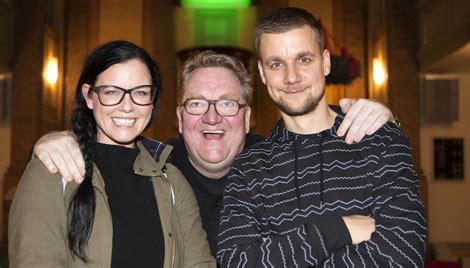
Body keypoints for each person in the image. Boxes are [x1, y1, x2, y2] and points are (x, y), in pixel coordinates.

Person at [33, 52, 395, 258]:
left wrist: (383, 119)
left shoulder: (283, 164)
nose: (211, 116)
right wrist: (55, 139)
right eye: (196, 104)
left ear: (248, 116)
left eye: (226, 103)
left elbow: (342, 152)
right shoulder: (152, 172)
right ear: (178, 117)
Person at [217, 7, 426, 267]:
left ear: (325, 62)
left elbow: (403, 254)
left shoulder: (381, 140)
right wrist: (340, 229)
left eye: (303, 59)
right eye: (276, 64)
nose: (291, 77)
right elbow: (236, 261)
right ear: (262, 73)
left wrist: (279, 250)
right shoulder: (249, 168)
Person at [9, 41, 215, 267]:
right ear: (89, 96)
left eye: (141, 93)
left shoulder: (172, 181)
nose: (127, 106)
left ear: (152, 101)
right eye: (112, 92)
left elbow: (199, 263)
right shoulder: (52, 169)